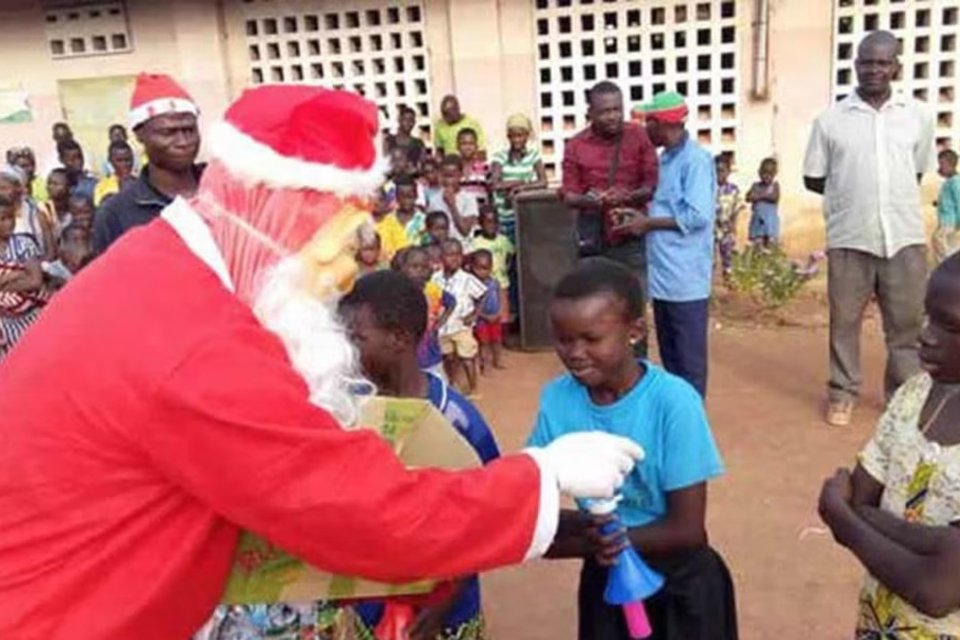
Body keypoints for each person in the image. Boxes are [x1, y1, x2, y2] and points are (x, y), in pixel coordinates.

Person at [0, 85, 642, 638]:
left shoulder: (164, 270)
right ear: (270, 216)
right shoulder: (197, 341)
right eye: (334, 247)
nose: (342, 277)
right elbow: (360, 512)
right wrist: (539, 477)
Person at [528, 259, 737, 640]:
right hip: (606, 576)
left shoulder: (673, 401)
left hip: (683, 584)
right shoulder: (556, 400)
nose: (575, 352)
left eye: (591, 339)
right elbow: (533, 504)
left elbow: (688, 529)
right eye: (563, 338)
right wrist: (583, 541)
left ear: (635, 331)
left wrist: (596, 540)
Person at [340, 270, 498, 640]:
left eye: (357, 338)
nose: (346, 348)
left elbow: (486, 517)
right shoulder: (349, 409)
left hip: (443, 614)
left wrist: (442, 604)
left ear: (399, 339)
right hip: (369, 603)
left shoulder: (457, 421)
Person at [818, 253, 960, 636]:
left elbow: (936, 591)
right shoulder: (914, 395)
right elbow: (859, 497)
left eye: (950, 326)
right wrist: (940, 545)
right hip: (879, 622)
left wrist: (846, 523)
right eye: (929, 316)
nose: (925, 335)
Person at [803, 30, 935, 427]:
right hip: (849, 238)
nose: (873, 70)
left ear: (896, 65)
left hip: (904, 237)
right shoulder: (830, 120)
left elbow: (914, 170)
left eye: (882, 62)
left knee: (907, 326)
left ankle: (902, 398)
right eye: (866, 62)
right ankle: (842, 393)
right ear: (855, 64)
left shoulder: (918, 115)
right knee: (844, 322)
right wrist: (852, 197)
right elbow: (814, 178)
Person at [624, 92, 716, 398]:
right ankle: (679, 419)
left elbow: (697, 215)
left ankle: (692, 425)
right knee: (672, 360)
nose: (644, 129)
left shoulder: (696, 161)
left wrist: (647, 224)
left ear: (663, 124)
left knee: (689, 364)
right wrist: (639, 216)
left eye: (648, 122)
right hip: (664, 278)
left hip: (686, 280)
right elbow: (665, 207)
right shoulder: (665, 159)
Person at [562, 80, 659, 357]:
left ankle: (637, 369)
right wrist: (589, 200)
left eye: (617, 109)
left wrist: (626, 196)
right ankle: (602, 370)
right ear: (590, 112)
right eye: (605, 111)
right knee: (594, 309)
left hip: (630, 235)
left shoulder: (639, 137)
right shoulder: (576, 145)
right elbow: (569, 194)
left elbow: (651, 184)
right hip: (592, 238)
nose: (613, 116)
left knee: (633, 308)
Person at [93, 72, 203, 254]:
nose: (183, 141)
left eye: (189, 130)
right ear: (139, 134)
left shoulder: (224, 193)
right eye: (168, 132)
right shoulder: (115, 214)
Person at [433, 238, 487, 395]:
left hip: (462, 326)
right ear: (441, 257)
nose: (455, 258)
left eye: (458, 254)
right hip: (442, 327)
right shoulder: (435, 278)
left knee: (467, 358)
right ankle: (451, 383)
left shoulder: (467, 278)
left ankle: (473, 389)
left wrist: (474, 314)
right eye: (450, 254)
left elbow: (482, 295)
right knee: (448, 357)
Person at [396, 246, 454, 381]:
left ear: (430, 270)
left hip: (431, 354)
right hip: (406, 356)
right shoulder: (397, 291)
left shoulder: (433, 290)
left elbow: (451, 302)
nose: (419, 271)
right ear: (404, 268)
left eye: (423, 267)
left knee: (438, 387)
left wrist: (441, 322)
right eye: (414, 266)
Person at [0, 195, 46, 360]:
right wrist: (16, 275)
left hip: (29, 318)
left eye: (10, 217)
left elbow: (35, 281)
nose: (8, 223)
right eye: (2, 219)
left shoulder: (23, 243)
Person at [490, 113, 548, 243]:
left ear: (527, 136)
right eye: (513, 136)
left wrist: (522, 187)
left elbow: (543, 182)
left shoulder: (533, 156)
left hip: (525, 214)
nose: (516, 140)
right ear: (508, 137)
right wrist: (519, 182)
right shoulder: (500, 157)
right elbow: (495, 184)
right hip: (504, 215)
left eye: (520, 135)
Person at [0, 165, 55, 260]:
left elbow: (50, 250)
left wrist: (40, 265)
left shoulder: (36, 214)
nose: (1, 192)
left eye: (4, 188)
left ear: (18, 188)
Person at [471, 206, 514, 327]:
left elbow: (510, 254)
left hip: (502, 282)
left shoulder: (503, 240)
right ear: (480, 223)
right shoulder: (476, 242)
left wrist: (505, 268)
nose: (491, 225)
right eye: (487, 222)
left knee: (503, 312)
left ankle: (501, 337)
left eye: (494, 222)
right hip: (483, 283)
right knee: (485, 310)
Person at [426, 155, 479, 242]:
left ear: (460, 176)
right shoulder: (434, 199)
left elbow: (465, 231)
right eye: (444, 176)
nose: (447, 181)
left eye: (451, 176)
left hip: (463, 247)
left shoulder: (469, 199)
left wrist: (452, 205)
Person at [469, 249, 505, 373]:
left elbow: (500, 297)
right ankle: (485, 365)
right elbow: (473, 305)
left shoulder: (494, 283)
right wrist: (484, 316)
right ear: (473, 268)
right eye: (479, 268)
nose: (482, 272)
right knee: (484, 343)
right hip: (481, 319)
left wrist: (500, 312)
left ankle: (498, 360)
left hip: (495, 317)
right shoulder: (472, 285)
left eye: (486, 268)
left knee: (497, 340)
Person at [375, 174, 422, 261]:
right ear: (396, 197)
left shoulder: (424, 221)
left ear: (416, 196)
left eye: (409, 197)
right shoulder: (385, 221)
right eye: (402, 196)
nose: (406, 200)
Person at [714, 154, 743, 280]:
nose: (719, 174)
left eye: (722, 170)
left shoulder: (733, 190)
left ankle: (729, 279)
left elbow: (737, 208)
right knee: (710, 257)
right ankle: (708, 284)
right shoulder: (708, 189)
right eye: (716, 171)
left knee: (728, 255)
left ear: (729, 172)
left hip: (727, 228)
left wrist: (734, 224)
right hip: (712, 228)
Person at [43, 222, 93, 289]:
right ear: (63, 245)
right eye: (75, 240)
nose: (81, 245)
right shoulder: (50, 271)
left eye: (84, 239)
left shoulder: (93, 267)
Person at [933, 149, 960, 263]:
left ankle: (946, 264)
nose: (939, 168)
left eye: (941, 164)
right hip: (947, 220)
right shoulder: (949, 181)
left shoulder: (955, 181)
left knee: (938, 239)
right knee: (951, 243)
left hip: (949, 221)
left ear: (950, 165)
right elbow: (948, 200)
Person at [746, 158, 780, 247]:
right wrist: (754, 196)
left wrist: (759, 196)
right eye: (764, 173)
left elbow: (774, 197)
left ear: (775, 174)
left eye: (770, 174)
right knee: (758, 246)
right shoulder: (755, 185)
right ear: (759, 172)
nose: (767, 176)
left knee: (771, 246)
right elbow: (748, 197)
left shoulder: (775, 186)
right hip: (757, 222)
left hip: (770, 223)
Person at [94, 140, 137, 206]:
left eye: (127, 160)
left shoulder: (141, 183)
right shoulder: (102, 186)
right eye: (119, 161)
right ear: (110, 161)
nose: (124, 164)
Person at [457, 128, 489, 204]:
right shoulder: (455, 169)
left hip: (480, 212)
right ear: (457, 146)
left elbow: (490, 192)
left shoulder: (485, 168)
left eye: (471, 144)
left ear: (476, 146)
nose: (468, 147)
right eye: (464, 144)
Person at [44, 168, 72, 237]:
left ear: (69, 187)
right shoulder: (43, 210)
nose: (50, 187)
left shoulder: (76, 209)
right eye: (49, 183)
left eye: (55, 184)